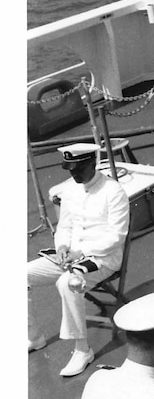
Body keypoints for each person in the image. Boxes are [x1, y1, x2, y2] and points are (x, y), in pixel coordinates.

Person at [28, 143, 129, 377]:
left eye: (78, 169)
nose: (74, 174)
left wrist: (80, 252)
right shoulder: (70, 190)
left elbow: (116, 237)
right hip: (70, 257)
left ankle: (82, 350)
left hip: (102, 258)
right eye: (70, 170)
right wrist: (62, 246)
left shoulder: (113, 191)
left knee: (68, 283)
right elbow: (63, 227)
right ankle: (34, 337)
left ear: (92, 163)